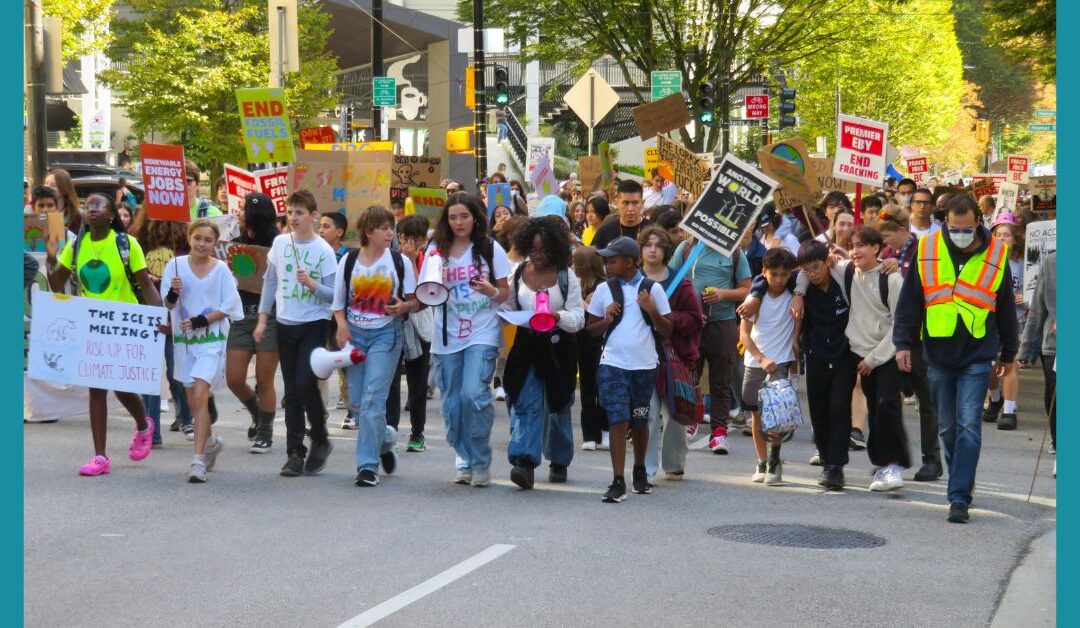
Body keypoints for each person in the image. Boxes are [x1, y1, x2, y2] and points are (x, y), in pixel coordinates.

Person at [894, 195, 1019, 523]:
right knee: (948, 428)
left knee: (968, 424)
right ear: (945, 223)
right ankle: (961, 476)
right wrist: (902, 343)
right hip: (937, 353)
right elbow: (911, 299)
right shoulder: (928, 247)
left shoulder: (996, 253)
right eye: (953, 229)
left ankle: (959, 496)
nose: (959, 234)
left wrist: (1010, 352)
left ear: (978, 221)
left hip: (978, 354)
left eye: (965, 229)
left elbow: (1005, 305)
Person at [46, 193, 162, 476]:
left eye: (99, 206)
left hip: (124, 324)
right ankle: (100, 457)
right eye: (88, 206)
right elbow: (57, 283)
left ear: (111, 215)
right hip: (92, 326)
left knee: (121, 385)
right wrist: (52, 258)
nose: (92, 209)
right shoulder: (75, 246)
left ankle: (144, 425)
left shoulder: (126, 244)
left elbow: (146, 286)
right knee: (97, 387)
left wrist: (160, 317)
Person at [420, 192, 511, 487]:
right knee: (453, 403)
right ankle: (464, 457)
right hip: (446, 335)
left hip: (482, 330)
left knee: (474, 394)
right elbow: (425, 292)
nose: (459, 222)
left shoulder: (489, 247)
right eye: (453, 217)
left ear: (475, 217)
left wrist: (491, 292)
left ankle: (480, 459)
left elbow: (504, 292)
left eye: (464, 216)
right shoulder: (436, 249)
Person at [332, 206, 418, 487]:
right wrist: (342, 326)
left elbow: (415, 301)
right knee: (357, 404)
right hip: (355, 336)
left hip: (386, 335)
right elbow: (338, 303)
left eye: (391, 228)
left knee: (372, 399)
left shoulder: (399, 262)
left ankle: (367, 466)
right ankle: (386, 439)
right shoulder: (349, 261)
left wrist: (405, 306)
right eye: (384, 228)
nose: (390, 233)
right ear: (368, 231)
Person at [256, 190, 338, 477]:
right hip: (285, 323)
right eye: (290, 212)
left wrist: (312, 284)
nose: (293, 218)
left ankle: (320, 436)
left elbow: (334, 296)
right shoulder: (280, 243)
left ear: (313, 216)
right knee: (291, 392)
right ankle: (294, 452)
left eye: (299, 212)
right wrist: (263, 319)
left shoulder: (324, 250)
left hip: (314, 324)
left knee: (305, 383)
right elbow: (270, 283)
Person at [586, 236, 672, 503]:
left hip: (645, 365)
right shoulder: (603, 290)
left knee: (640, 418)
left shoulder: (652, 289)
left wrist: (652, 310)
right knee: (617, 419)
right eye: (607, 260)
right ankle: (617, 480)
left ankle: (639, 471)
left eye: (613, 260)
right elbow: (590, 330)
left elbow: (667, 330)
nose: (608, 265)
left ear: (631, 262)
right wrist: (607, 318)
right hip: (612, 364)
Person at [501, 217, 585, 488]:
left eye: (543, 250)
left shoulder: (566, 276)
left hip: (559, 347)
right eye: (533, 250)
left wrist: (556, 316)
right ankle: (524, 462)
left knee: (558, 405)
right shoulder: (517, 273)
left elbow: (579, 318)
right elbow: (511, 310)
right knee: (525, 401)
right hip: (527, 345)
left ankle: (559, 460)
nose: (537, 256)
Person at [162, 220, 244, 482]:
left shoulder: (221, 270)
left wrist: (202, 320)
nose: (202, 244)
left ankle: (197, 461)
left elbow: (231, 307)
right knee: (193, 401)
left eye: (208, 240)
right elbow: (167, 302)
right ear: (189, 238)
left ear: (215, 243)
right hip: (185, 343)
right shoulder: (174, 267)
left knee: (200, 392)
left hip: (211, 340)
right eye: (198, 238)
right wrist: (174, 293)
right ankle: (209, 441)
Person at [670, 224, 752, 455]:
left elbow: (747, 288)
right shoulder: (686, 249)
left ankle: (719, 433)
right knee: (688, 376)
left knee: (721, 380)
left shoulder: (734, 252)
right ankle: (691, 419)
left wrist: (723, 294)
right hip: (691, 325)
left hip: (722, 322)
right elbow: (671, 282)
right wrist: (687, 311)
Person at [879, 205, 942, 481]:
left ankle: (932, 460)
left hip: (920, 340)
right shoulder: (886, 254)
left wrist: (902, 272)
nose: (885, 243)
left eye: (888, 236)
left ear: (903, 231)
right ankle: (893, 457)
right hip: (892, 339)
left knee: (927, 402)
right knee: (888, 400)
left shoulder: (924, 253)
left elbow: (925, 291)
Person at [846, 227, 909, 492]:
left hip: (886, 356)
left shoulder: (891, 279)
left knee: (886, 408)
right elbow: (808, 271)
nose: (856, 251)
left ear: (876, 248)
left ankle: (893, 466)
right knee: (875, 408)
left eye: (862, 245)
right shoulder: (848, 271)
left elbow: (900, 323)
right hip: (859, 354)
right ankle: (883, 462)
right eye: (853, 246)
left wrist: (873, 358)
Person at [639, 226, 703, 483]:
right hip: (642, 356)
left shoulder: (681, 282)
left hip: (674, 356)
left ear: (666, 250)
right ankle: (645, 467)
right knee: (649, 412)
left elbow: (695, 320)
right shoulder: (633, 281)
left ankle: (674, 463)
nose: (653, 249)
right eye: (647, 244)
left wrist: (666, 318)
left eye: (658, 245)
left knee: (677, 411)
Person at [225, 193, 281, 453]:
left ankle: (266, 432)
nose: (239, 212)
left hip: (269, 318)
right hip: (241, 317)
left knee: (264, 379)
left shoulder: (278, 244)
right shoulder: (235, 242)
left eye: (244, 209)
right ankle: (257, 412)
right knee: (234, 378)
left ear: (255, 214)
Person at [739, 248, 799, 486]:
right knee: (756, 416)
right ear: (763, 273)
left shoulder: (795, 296)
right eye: (773, 274)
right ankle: (761, 460)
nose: (778, 280)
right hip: (755, 363)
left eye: (784, 274)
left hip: (780, 363)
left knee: (776, 416)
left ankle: (774, 459)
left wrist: (794, 352)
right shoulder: (755, 299)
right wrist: (761, 357)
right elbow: (743, 334)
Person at [386, 214, 435, 452]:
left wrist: (413, 261)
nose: (410, 243)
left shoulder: (430, 259)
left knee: (418, 384)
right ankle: (390, 431)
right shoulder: (392, 258)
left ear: (424, 239)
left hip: (420, 328)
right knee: (391, 383)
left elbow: (420, 295)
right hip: (394, 326)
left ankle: (417, 433)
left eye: (416, 238)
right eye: (405, 237)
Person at [982, 213, 1027, 430]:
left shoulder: (1024, 263)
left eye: (1006, 235)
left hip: (1016, 319)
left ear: (1015, 239)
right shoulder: (985, 260)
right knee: (990, 367)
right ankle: (996, 397)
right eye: (997, 234)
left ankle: (1009, 411)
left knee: (1010, 365)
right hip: (989, 319)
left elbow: (1035, 288)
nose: (1001, 239)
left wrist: (1025, 298)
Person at [1018, 252, 1056, 457]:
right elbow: (1038, 307)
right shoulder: (1051, 262)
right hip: (1053, 343)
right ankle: (1058, 439)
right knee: (1056, 392)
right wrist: (1026, 348)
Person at [318, 210, 352, 428]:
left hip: (342, 317)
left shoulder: (350, 257)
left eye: (326, 226)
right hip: (320, 316)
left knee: (345, 366)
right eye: (319, 225)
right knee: (319, 365)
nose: (320, 230)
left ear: (339, 232)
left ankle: (352, 409)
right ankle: (319, 415)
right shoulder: (315, 253)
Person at [572, 245, 608, 450]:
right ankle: (589, 435)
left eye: (576, 263)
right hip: (582, 342)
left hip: (601, 342)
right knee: (586, 387)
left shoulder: (604, 285)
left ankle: (606, 430)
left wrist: (587, 307)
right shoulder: (576, 287)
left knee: (602, 387)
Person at [590, 180, 651, 251]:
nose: (630, 209)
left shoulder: (653, 231)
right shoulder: (605, 231)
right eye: (625, 203)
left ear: (642, 203)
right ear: (617, 203)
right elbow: (592, 258)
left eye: (635, 203)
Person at [44, 168, 83, 235]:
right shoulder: (37, 212)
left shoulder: (76, 216)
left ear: (64, 189)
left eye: (53, 185)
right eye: (46, 183)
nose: (47, 188)